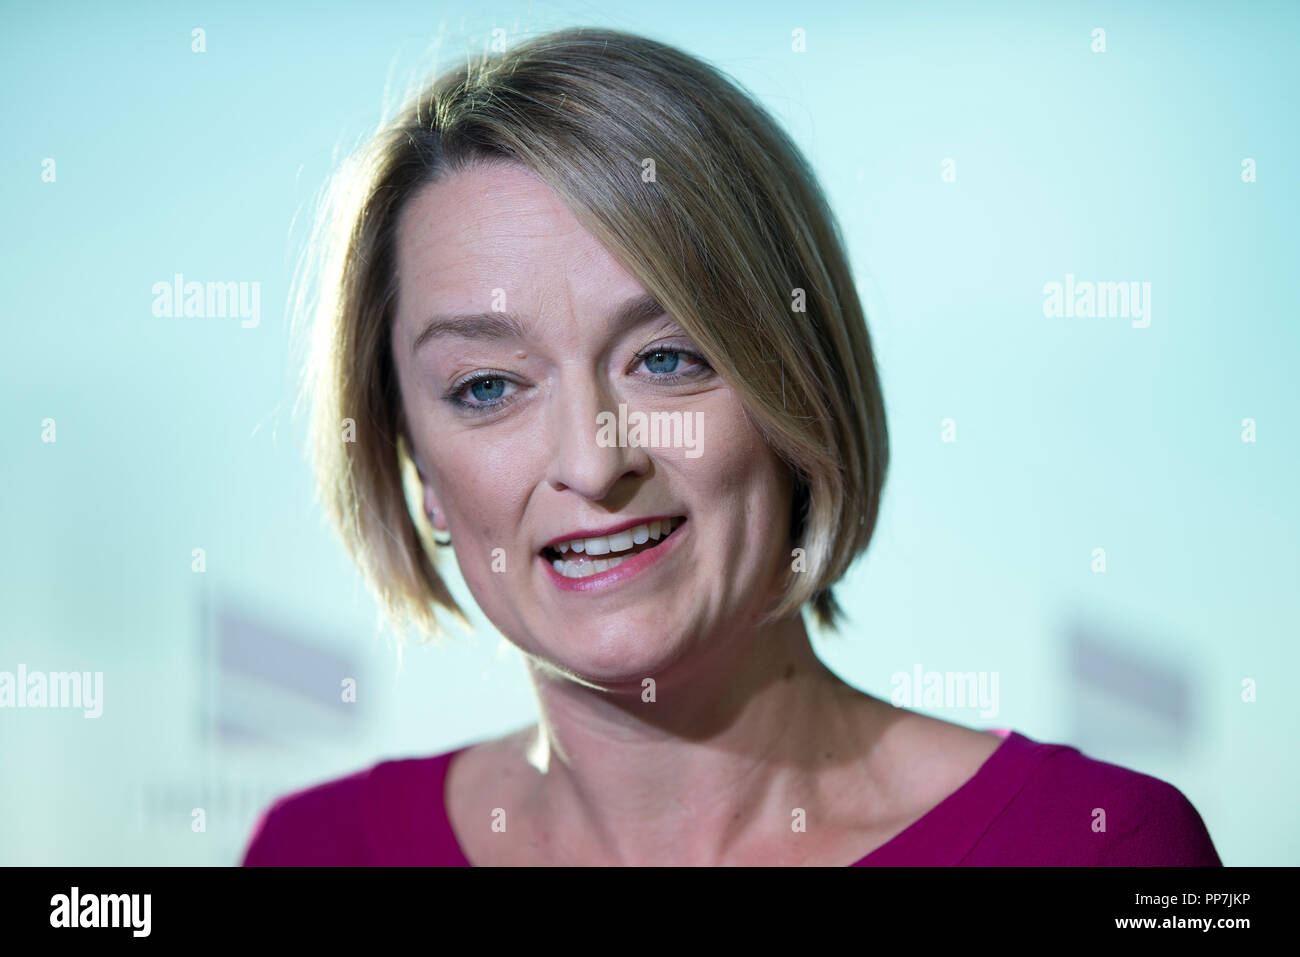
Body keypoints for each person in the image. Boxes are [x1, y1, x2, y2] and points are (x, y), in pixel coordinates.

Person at [242, 27, 1221, 866]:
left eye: (666, 360)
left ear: (794, 384)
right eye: (488, 387)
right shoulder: (317, 854)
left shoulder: (1092, 847)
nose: (592, 462)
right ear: (416, 468)